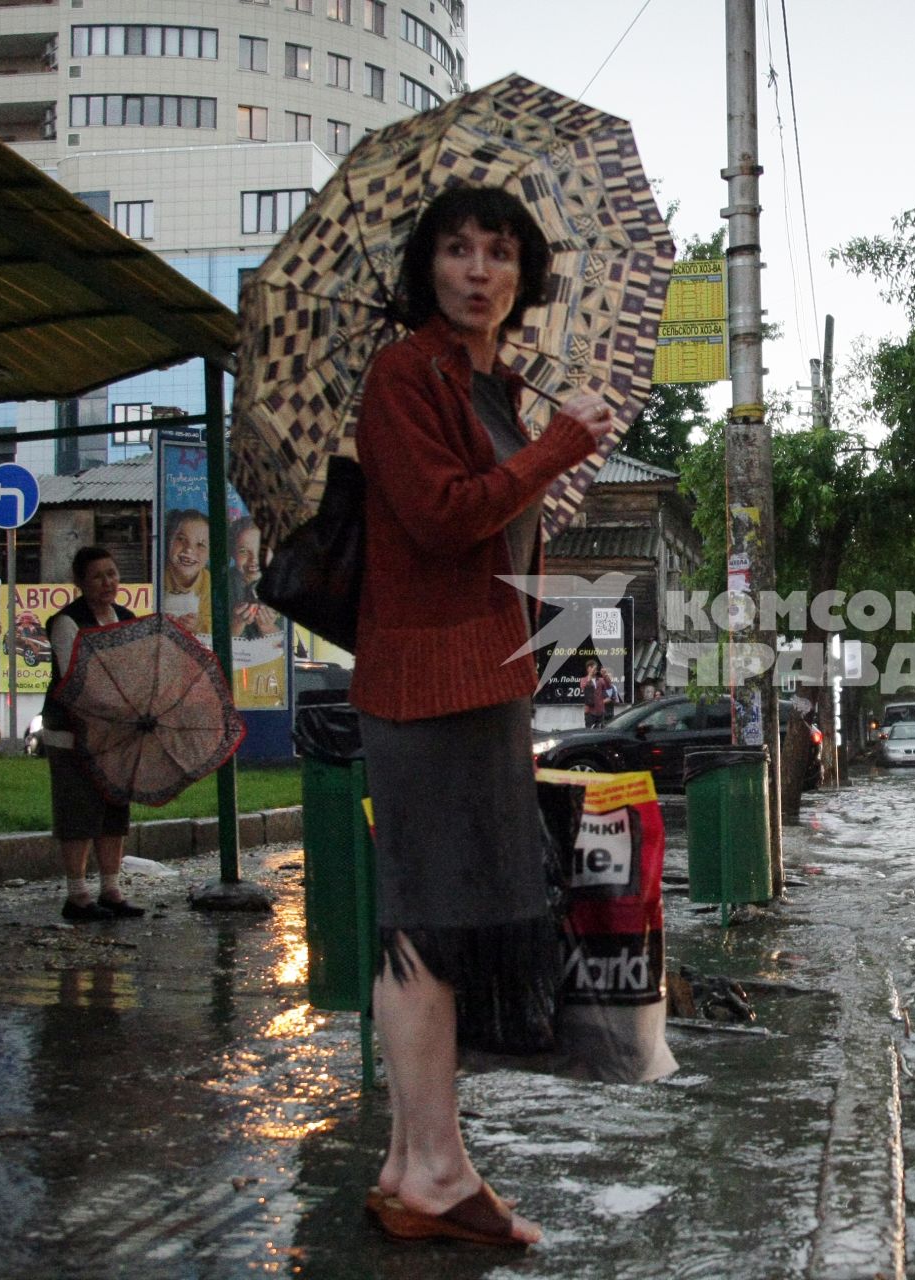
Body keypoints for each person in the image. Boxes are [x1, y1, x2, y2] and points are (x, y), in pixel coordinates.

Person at [350, 184, 613, 1248]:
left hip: (480, 676)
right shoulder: (404, 373)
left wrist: (545, 443)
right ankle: (438, 1171)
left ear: (523, 275)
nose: (478, 270)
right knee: (428, 922)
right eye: (457, 250)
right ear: (428, 266)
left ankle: (413, 1161)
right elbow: (443, 513)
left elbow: (496, 523)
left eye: (499, 253)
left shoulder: (488, 377)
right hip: (426, 683)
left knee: (435, 922)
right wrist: (549, 451)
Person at [43, 546, 143, 923]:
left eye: (113, 574)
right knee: (77, 811)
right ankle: (77, 894)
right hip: (72, 733)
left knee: (113, 811)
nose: (108, 583)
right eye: (98, 576)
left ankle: (111, 889)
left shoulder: (126, 619)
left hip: (117, 735)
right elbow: (74, 679)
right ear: (80, 582)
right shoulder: (67, 622)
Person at [228, 516, 280, 640]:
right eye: (243, 551)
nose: (254, 559)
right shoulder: (221, 584)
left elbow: (290, 645)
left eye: (261, 551)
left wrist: (268, 628)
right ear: (232, 553)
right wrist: (236, 625)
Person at [160, 508, 210, 634]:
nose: (189, 550)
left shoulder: (210, 585)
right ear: (169, 540)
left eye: (200, 545)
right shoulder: (157, 577)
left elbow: (217, 625)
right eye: (181, 539)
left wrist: (199, 626)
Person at [579, 657, 617, 728]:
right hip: (589, 711)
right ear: (588, 668)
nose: (595, 670)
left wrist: (605, 675)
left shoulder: (600, 680)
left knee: (601, 731)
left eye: (596, 668)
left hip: (600, 711)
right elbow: (585, 688)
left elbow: (609, 686)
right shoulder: (583, 680)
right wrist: (590, 675)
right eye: (593, 668)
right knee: (589, 731)